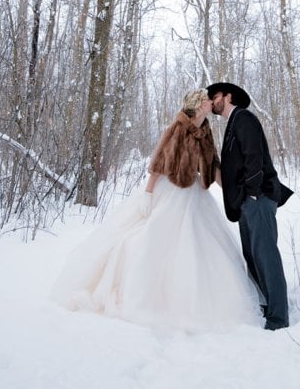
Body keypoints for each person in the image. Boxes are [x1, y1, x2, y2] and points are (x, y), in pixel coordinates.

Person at [51, 89, 260, 331]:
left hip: (194, 192)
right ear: (196, 105)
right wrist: (148, 193)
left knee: (200, 243)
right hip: (170, 188)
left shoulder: (205, 133)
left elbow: (213, 165)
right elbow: (158, 162)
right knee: (155, 239)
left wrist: (231, 191)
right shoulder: (177, 128)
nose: (209, 102)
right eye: (205, 99)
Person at [207, 81, 293, 330]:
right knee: (253, 256)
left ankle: (278, 318)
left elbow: (254, 156)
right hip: (246, 202)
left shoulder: (244, 118)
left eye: (215, 96)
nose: (212, 101)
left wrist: (253, 194)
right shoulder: (232, 124)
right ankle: (267, 306)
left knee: (266, 256)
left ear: (228, 96)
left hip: (259, 199)